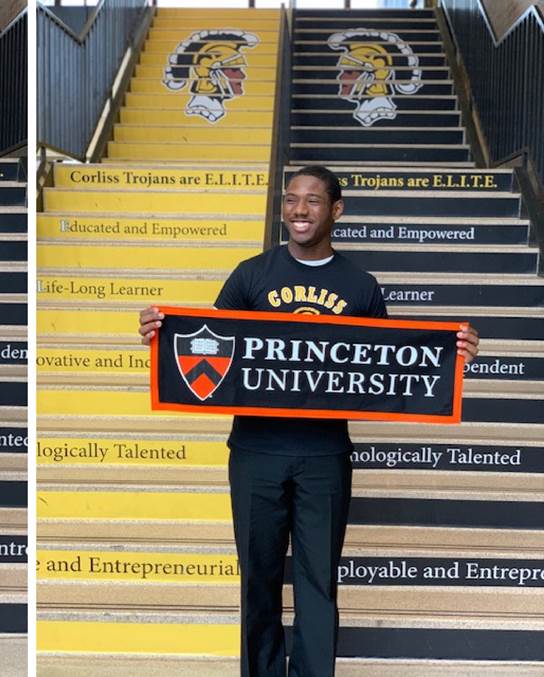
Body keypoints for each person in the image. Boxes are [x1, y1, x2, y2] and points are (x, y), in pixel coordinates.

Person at [138, 166, 479, 677]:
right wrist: (160, 332)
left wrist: (452, 356)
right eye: (291, 199)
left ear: (335, 210)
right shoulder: (251, 274)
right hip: (255, 452)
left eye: (313, 200)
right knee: (258, 579)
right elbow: (210, 344)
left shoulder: (360, 286)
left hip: (325, 456)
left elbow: (391, 364)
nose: (299, 210)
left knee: (319, 581)